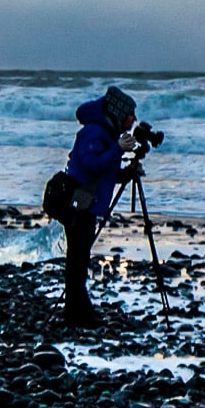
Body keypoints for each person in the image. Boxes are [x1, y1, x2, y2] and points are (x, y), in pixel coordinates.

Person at [62, 86, 139, 326]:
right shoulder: (94, 133)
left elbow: (104, 173)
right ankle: (77, 313)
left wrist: (126, 172)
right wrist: (118, 149)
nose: (133, 119)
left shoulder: (105, 132)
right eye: (130, 114)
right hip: (79, 204)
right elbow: (91, 165)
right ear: (118, 113)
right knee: (78, 258)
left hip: (87, 203)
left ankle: (78, 311)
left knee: (80, 257)